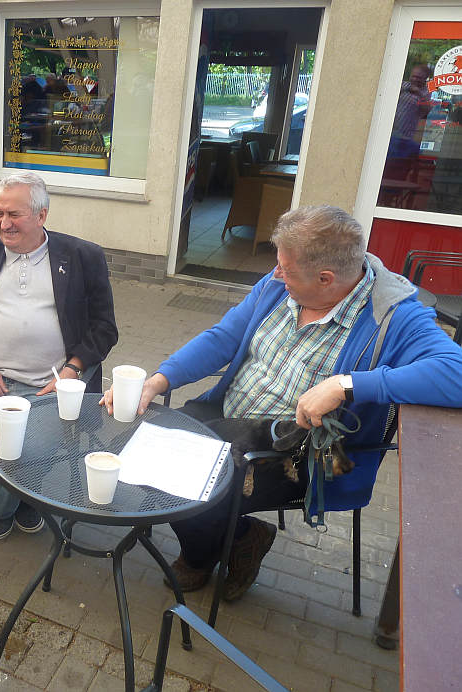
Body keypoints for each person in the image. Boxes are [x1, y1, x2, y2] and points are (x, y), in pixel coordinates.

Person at [101, 205, 462, 601]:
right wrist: (158, 381)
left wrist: (346, 384)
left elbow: (456, 373)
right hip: (226, 415)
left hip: (296, 451)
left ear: (325, 278)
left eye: (286, 269)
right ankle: (243, 536)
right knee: (140, 448)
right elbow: (224, 336)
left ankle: (202, 555)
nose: (275, 273)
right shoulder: (278, 285)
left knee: (190, 489)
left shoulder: (393, 316)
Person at [0, 171, 118, 541]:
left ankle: (4, 504)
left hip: (50, 388)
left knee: (28, 452)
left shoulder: (82, 257)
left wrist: (73, 370)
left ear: (42, 215)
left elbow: (105, 328)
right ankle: (20, 493)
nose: (4, 223)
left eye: (14, 214)